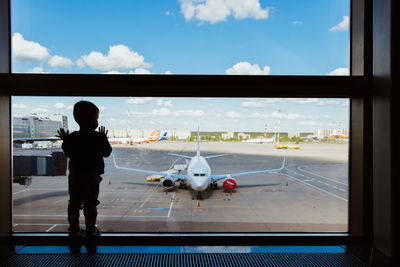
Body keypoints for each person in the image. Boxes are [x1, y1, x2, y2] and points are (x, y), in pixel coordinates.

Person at [57, 101, 112, 236]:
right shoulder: (98, 137)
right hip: (91, 176)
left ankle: (74, 229)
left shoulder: (73, 137)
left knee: (74, 203)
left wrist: (66, 140)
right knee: (90, 204)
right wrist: (104, 138)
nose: (97, 121)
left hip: (75, 175)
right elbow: (107, 152)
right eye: (96, 118)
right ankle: (90, 229)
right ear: (92, 119)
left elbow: (68, 152)